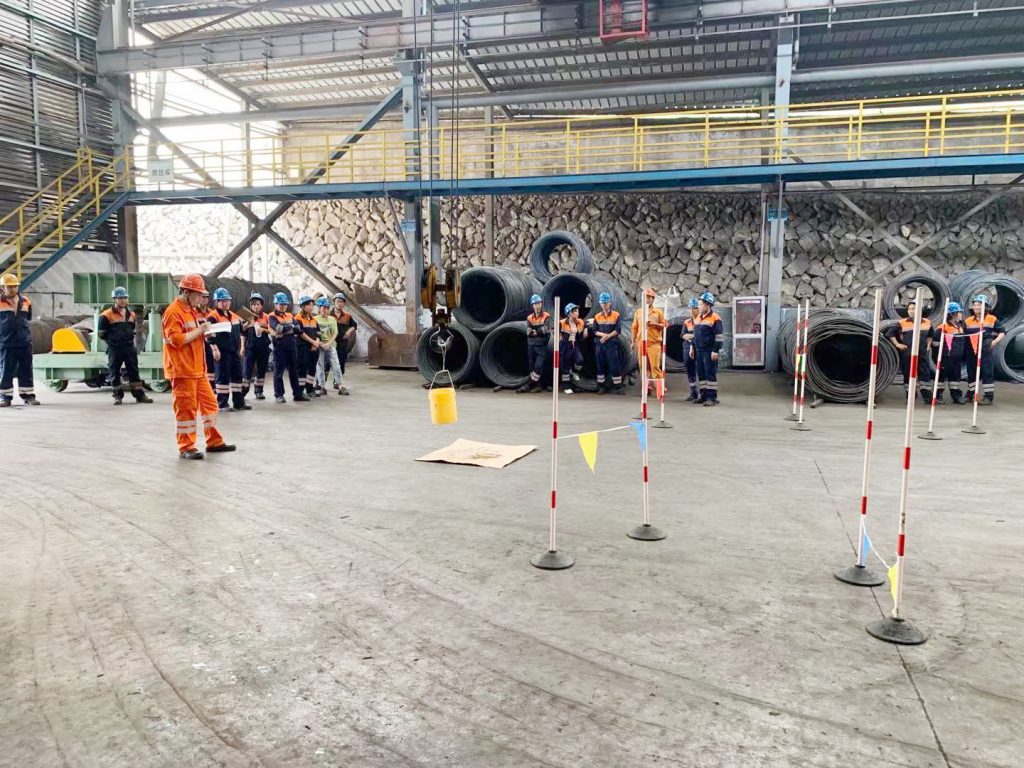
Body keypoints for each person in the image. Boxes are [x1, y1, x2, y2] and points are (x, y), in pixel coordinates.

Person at [161, 274, 235, 460]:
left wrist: (205, 333)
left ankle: (214, 441)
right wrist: (200, 330)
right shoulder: (173, 312)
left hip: (197, 369)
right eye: (198, 294)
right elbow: (177, 340)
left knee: (210, 404)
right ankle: (186, 446)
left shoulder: (191, 310)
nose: (201, 298)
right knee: (186, 410)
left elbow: (193, 336)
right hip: (182, 370)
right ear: (186, 293)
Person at [97, 286, 153, 406]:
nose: (122, 300)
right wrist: (113, 341)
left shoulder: (131, 314)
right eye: (119, 298)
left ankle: (139, 396)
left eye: (124, 298)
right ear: (114, 299)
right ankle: (117, 396)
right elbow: (101, 333)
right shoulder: (106, 315)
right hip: (115, 348)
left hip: (129, 347)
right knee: (114, 372)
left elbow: (132, 329)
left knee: (134, 371)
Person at [207, 287, 250, 412]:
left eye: (227, 300)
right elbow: (209, 336)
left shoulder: (234, 316)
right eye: (222, 301)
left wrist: (249, 323)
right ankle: (222, 404)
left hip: (234, 351)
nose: (225, 303)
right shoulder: (213, 317)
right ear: (217, 302)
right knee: (223, 377)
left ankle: (238, 403)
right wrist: (215, 349)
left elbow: (241, 330)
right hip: (222, 352)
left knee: (237, 376)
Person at [0, 272, 39, 407]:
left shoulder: (26, 301)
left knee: (26, 369)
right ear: (2, 288)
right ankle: (5, 397)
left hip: (24, 342)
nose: (13, 289)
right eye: (9, 287)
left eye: (15, 286)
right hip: (6, 342)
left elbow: (28, 318)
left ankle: (28, 396)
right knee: (6, 370)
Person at [886, 297, 933, 404]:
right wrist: (897, 344)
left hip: (922, 353)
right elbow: (890, 334)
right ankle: (910, 397)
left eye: (914, 309)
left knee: (924, 374)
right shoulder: (902, 322)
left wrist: (928, 346)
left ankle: (927, 397)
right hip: (907, 353)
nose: (911, 311)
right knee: (908, 374)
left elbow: (930, 335)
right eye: (910, 309)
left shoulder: (927, 322)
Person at [963, 294, 1006, 405]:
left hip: (986, 348)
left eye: (979, 305)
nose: (976, 307)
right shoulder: (968, 321)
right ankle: (970, 394)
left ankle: (988, 397)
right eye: (975, 305)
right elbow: (963, 333)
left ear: (985, 307)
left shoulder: (992, 319)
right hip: (971, 349)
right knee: (971, 371)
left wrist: (994, 342)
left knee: (987, 371)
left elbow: (1002, 332)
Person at [269, 292, 307, 403]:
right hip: (279, 347)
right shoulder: (272, 316)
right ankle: (279, 395)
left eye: (285, 304)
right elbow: (279, 328)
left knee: (294, 371)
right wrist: (291, 328)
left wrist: (287, 329)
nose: (283, 306)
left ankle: (297, 394)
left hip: (291, 346)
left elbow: (298, 329)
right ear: (275, 304)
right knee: (278, 371)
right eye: (281, 304)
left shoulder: (290, 315)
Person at [690, 291, 724, 406]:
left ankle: (711, 398)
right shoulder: (698, 318)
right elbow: (695, 335)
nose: (698, 307)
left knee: (710, 373)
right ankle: (703, 396)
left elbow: (719, 337)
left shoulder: (715, 318)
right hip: (699, 350)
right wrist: (692, 347)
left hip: (709, 350)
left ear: (707, 304)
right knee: (701, 374)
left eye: (700, 304)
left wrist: (715, 350)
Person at [631, 287, 666, 396]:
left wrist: (654, 324)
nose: (648, 299)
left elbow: (665, 325)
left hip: (654, 344)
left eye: (650, 298)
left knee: (655, 367)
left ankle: (660, 390)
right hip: (641, 343)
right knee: (643, 367)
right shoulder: (638, 312)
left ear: (653, 299)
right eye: (646, 297)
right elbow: (634, 328)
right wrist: (632, 342)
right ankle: (647, 389)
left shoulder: (658, 312)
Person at [587, 291, 623, 395]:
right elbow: (594, 331)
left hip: (611, 344)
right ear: (600, 304)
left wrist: (607, 336)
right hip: (600, 344)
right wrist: (603, 335)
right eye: (602, 303)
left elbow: (618, 330)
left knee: (614, 365)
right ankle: (601, 387)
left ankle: (618, 387)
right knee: (600, 365)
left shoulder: (616, 315)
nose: (604, 305)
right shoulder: (597, 316)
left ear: (610, 303)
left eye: (606, 303)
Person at [932, 302, 967, 404]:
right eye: (959, 312)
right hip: (945, 358)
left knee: (955, 377)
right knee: (941, 377)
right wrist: (937, 358)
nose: (961, 314)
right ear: (953, 313)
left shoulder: (960, 326)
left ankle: (956, 396)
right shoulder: (942, 327)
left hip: (957, 357)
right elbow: (935, 344)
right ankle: (938, 396)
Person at [518, 293, 550, 393]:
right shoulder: (529, 318)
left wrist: (535, 332)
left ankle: (530, 384)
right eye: (535, 304)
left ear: (541, 304)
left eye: (539, 303)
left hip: (541, 345)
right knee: (532, 367)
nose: (537, 306)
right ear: (532, 305)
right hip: (531, 345)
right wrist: (537, 332)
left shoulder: (546, 316)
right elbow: (528, 332)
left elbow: (546, 329)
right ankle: (537, 385)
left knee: (538, 365)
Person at [242, 293, 272, 401]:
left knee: (261, 369)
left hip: (263, 347)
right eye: (253, 304)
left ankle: (259, 391)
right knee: (247, 370)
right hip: (250, 347)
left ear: (261, 305)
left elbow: (272, 331)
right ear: (250, 306)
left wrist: (263, 329)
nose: (255, 306)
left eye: (258, 304)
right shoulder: (246, 316)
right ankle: (243, 392)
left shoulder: (267, 317)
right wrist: (242, 347)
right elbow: (242, 333)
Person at [314, 297, 343, 395]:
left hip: (331, 345)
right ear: (319, 308)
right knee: (320, 365)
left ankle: (340, 386)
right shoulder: (315, 319)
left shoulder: (332, 319)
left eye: (327, 307)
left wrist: (328, 344)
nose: (325, 309)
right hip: (320, 346)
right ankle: (322, 386)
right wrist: (321, 344)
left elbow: (335, 333)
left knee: (336, 365)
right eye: (323, 307)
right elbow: (314, 334)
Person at [295, 296, 321, 398]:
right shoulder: (297, 318)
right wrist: (313, 342)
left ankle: (309, 389)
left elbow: (318, 333)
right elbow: (300, 333)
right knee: (302, 369)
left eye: (312, 305)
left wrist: (316, 343)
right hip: (302, 348)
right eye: (308, 305)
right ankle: (300, 391)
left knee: (312, 368)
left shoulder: (313, 319)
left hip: (314, 348)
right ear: (302, 306)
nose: (311, 307)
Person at [332, 292, 357, 395]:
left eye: (341, 302)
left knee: (341, 362)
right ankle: (320, 383)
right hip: (331, 342)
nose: (339, 303)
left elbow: (354, 325)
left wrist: (348, 332)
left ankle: (337, 382)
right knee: (326, 364)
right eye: (337, 301)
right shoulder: (329, 314)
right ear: (334, 302)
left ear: (344, 303)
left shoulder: (347, 316)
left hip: (342, 343)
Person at [559, 303, 585, 394]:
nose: (577, 313)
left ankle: (574, 371)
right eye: (575, 311)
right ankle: (566, 387)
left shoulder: (580, 322)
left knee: (580, 360)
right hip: (565, 346)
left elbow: (584, 328)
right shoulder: (562, 323)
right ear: (569, 313)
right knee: (565, 367)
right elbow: (556, 333)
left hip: (575, 345)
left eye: (577, 311)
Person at [197, 290, 216, 392]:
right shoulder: (193, 312)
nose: (205, 299)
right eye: (203, 297)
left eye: (207, 297)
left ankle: (211, 386)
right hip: (198, 342)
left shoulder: (211, 313)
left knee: (211, 364)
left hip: (209, 342)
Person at [681, 298, 700, 401]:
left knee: (701, 370)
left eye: (694, 308)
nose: (692, 310)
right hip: (687, 348)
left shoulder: (702, 321)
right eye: (690, 308)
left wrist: (691, 336)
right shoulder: (687, 322)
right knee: (690, 370)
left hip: (699, 348)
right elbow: (683, 335)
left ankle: (703, 394)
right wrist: (693, 336)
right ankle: (693, 393)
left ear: (699, 309)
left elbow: (701, 335)